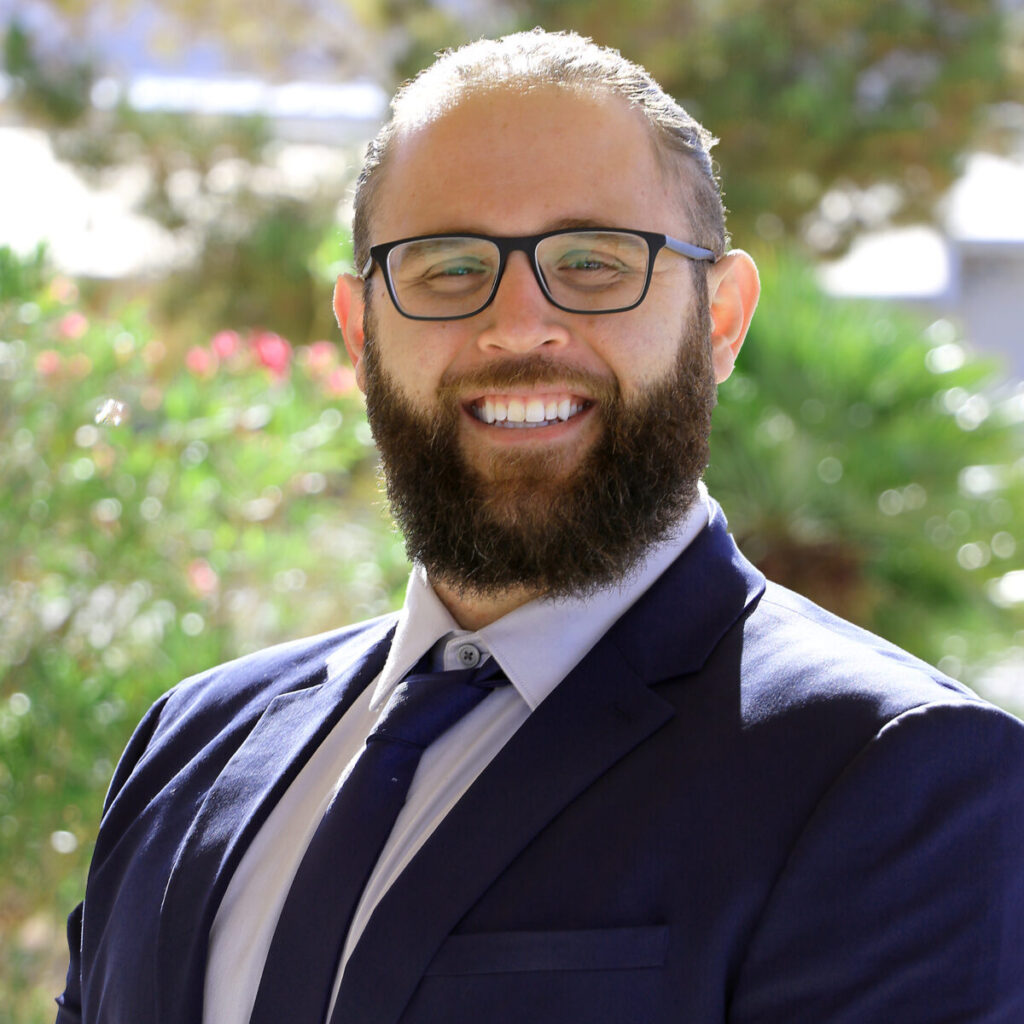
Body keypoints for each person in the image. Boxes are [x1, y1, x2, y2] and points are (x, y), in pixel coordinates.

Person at [58, 29, 1024, 1024]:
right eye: (444, 267)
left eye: (596, 261)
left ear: (722, 318)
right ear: (359, 330)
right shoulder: (192, 743)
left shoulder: (897, 771)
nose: (517, 325)